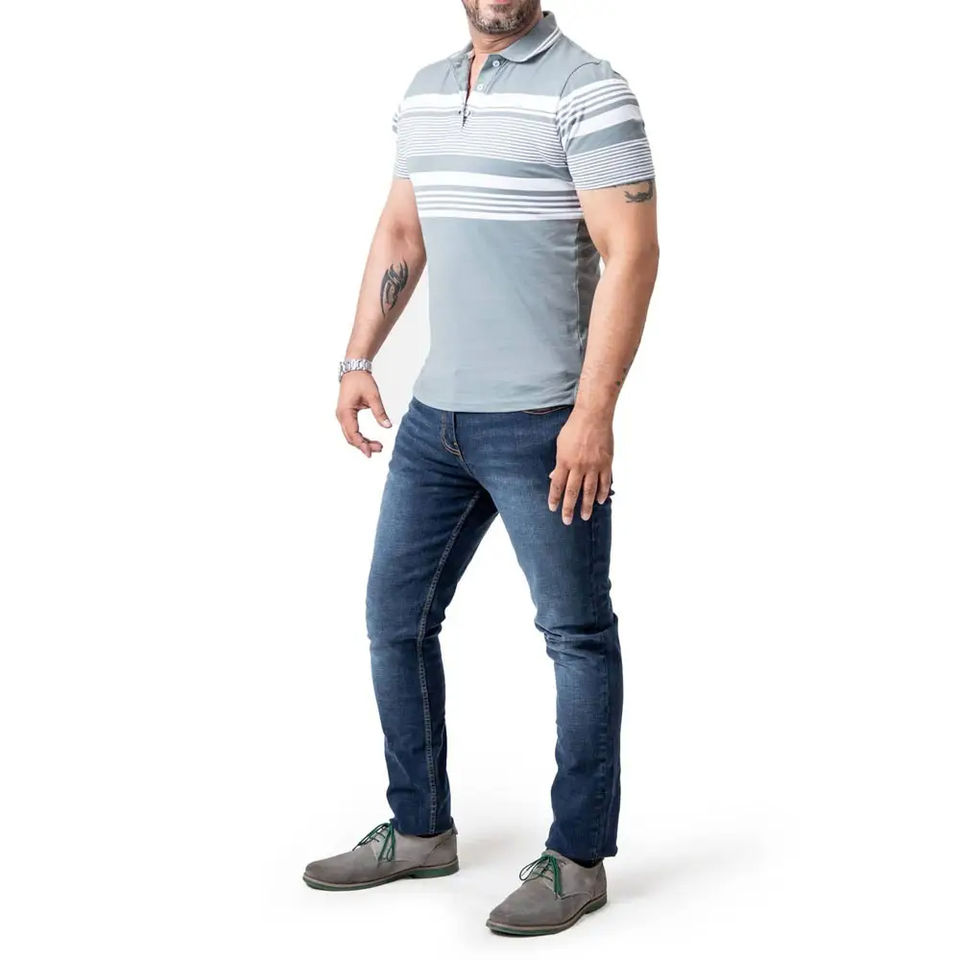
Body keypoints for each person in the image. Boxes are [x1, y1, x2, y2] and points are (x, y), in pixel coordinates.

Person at [303, 1, 658, 936]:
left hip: (545, 422)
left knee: (575, 634)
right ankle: (421, 830)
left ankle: (577, 859)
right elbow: (402, 234)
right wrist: (357, 359)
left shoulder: (589, 90)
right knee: (395, 619)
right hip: (437, 420)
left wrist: (593, 415)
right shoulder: (424, 93)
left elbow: (632, 253)